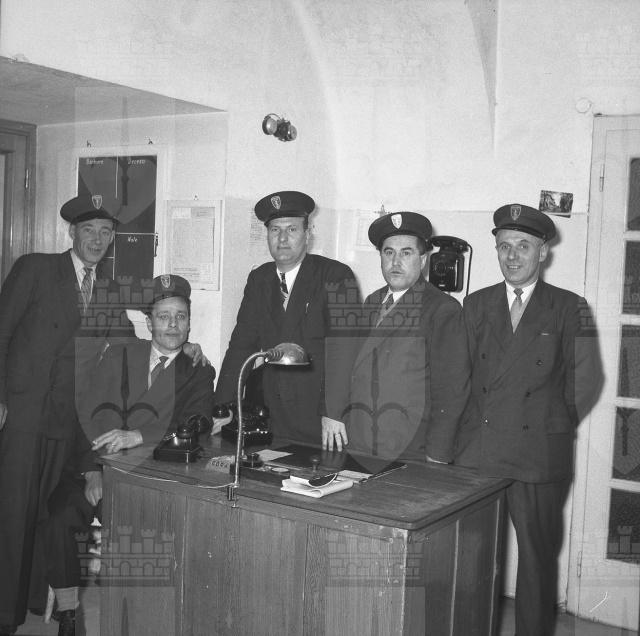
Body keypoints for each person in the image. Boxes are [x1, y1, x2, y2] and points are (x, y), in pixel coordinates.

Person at [0, 195, 205, 636]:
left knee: (44, 515)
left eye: (106, 232)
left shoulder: (108, 290)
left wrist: (183, 343)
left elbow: (133, 341)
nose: (97, 239)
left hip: (67, 423)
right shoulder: (35, 268)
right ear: (71, 233)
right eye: (89, 230)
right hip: (24, 413)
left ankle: (33, 603)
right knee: (12, 513)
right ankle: (3, 615)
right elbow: (1, 330)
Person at [454, 203, 602, 636]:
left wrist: (548, 422)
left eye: (523, 245)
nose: (513, 255)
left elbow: (586, 380)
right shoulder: (476, 303)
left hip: (538, 455)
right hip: (480, 453)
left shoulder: (569, 306)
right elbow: (460, 377)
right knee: (472, 559)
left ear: (543, 252)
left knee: (536, 560)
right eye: (504, 246)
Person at [44, 274, 215, 636]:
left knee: (136, 532)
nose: (172, 325)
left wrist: (139, 435)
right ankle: (69, 614)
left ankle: (134, 619)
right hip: (96, 467)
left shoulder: (198, 370)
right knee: (59, 516)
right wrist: (93, 471)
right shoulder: (120, 354)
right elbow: (88, 411)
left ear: (189, 323)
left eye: (180, 317)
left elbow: (195, 425)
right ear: (148, 322)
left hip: (145, 479)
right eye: (163, 316)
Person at [321, 212, 470, 462]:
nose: (396, 262)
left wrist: (438, 453)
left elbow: (452, 390)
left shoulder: (442, 309)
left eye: (406, 253)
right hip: (360, 439)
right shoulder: (372, 302)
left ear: (423, 260)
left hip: (408, 446)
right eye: (389, 252)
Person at [214, 190, 360, 445]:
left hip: (322, 417)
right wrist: (223, 406)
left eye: (292, 229)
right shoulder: (259, 279)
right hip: (273, 413)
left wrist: (334, 412)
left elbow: (344, 351)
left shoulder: (336, 276)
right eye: (275, 230)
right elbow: (241, 345)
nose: (282, 238)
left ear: (307, 234)